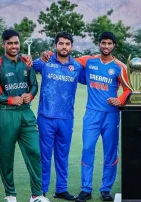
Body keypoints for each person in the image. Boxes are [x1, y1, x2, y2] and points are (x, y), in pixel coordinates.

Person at [41, 31, 130, 201]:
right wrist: (49, 54)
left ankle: (105, 189)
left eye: (109, 43)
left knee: (110, 152)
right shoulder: (88, 61)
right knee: (87, 149)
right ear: (99, 44)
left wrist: (120, 99)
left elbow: (128, 88)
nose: (106, 46)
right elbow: (67, 60)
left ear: (114, 46)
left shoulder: (120, 66)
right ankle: (86, 189)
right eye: (103, 43)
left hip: (111, 115)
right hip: (91, 114)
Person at [0, 29, 49, 202]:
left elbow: (34, 85)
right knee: (6, 156)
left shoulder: (26, 62)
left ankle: (36, 195)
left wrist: (30, 95)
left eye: (16, 43)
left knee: (35, 152)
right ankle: (10, 195)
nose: (14, 46)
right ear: (4, 45)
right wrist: (9, 100)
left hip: (26, 113)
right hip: (6, 115)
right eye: (10, 43)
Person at [33, 32, 83, 200]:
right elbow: (25, 66)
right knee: (44, 156)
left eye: (67, 44)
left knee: (62, 156)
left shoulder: (76, 67)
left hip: (66, 118)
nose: (64, 46)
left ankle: (61, 189)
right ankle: (42, 190)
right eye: (61, 43)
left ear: (71, 46)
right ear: (55, 45)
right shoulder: (44, 62)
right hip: (45, 117)